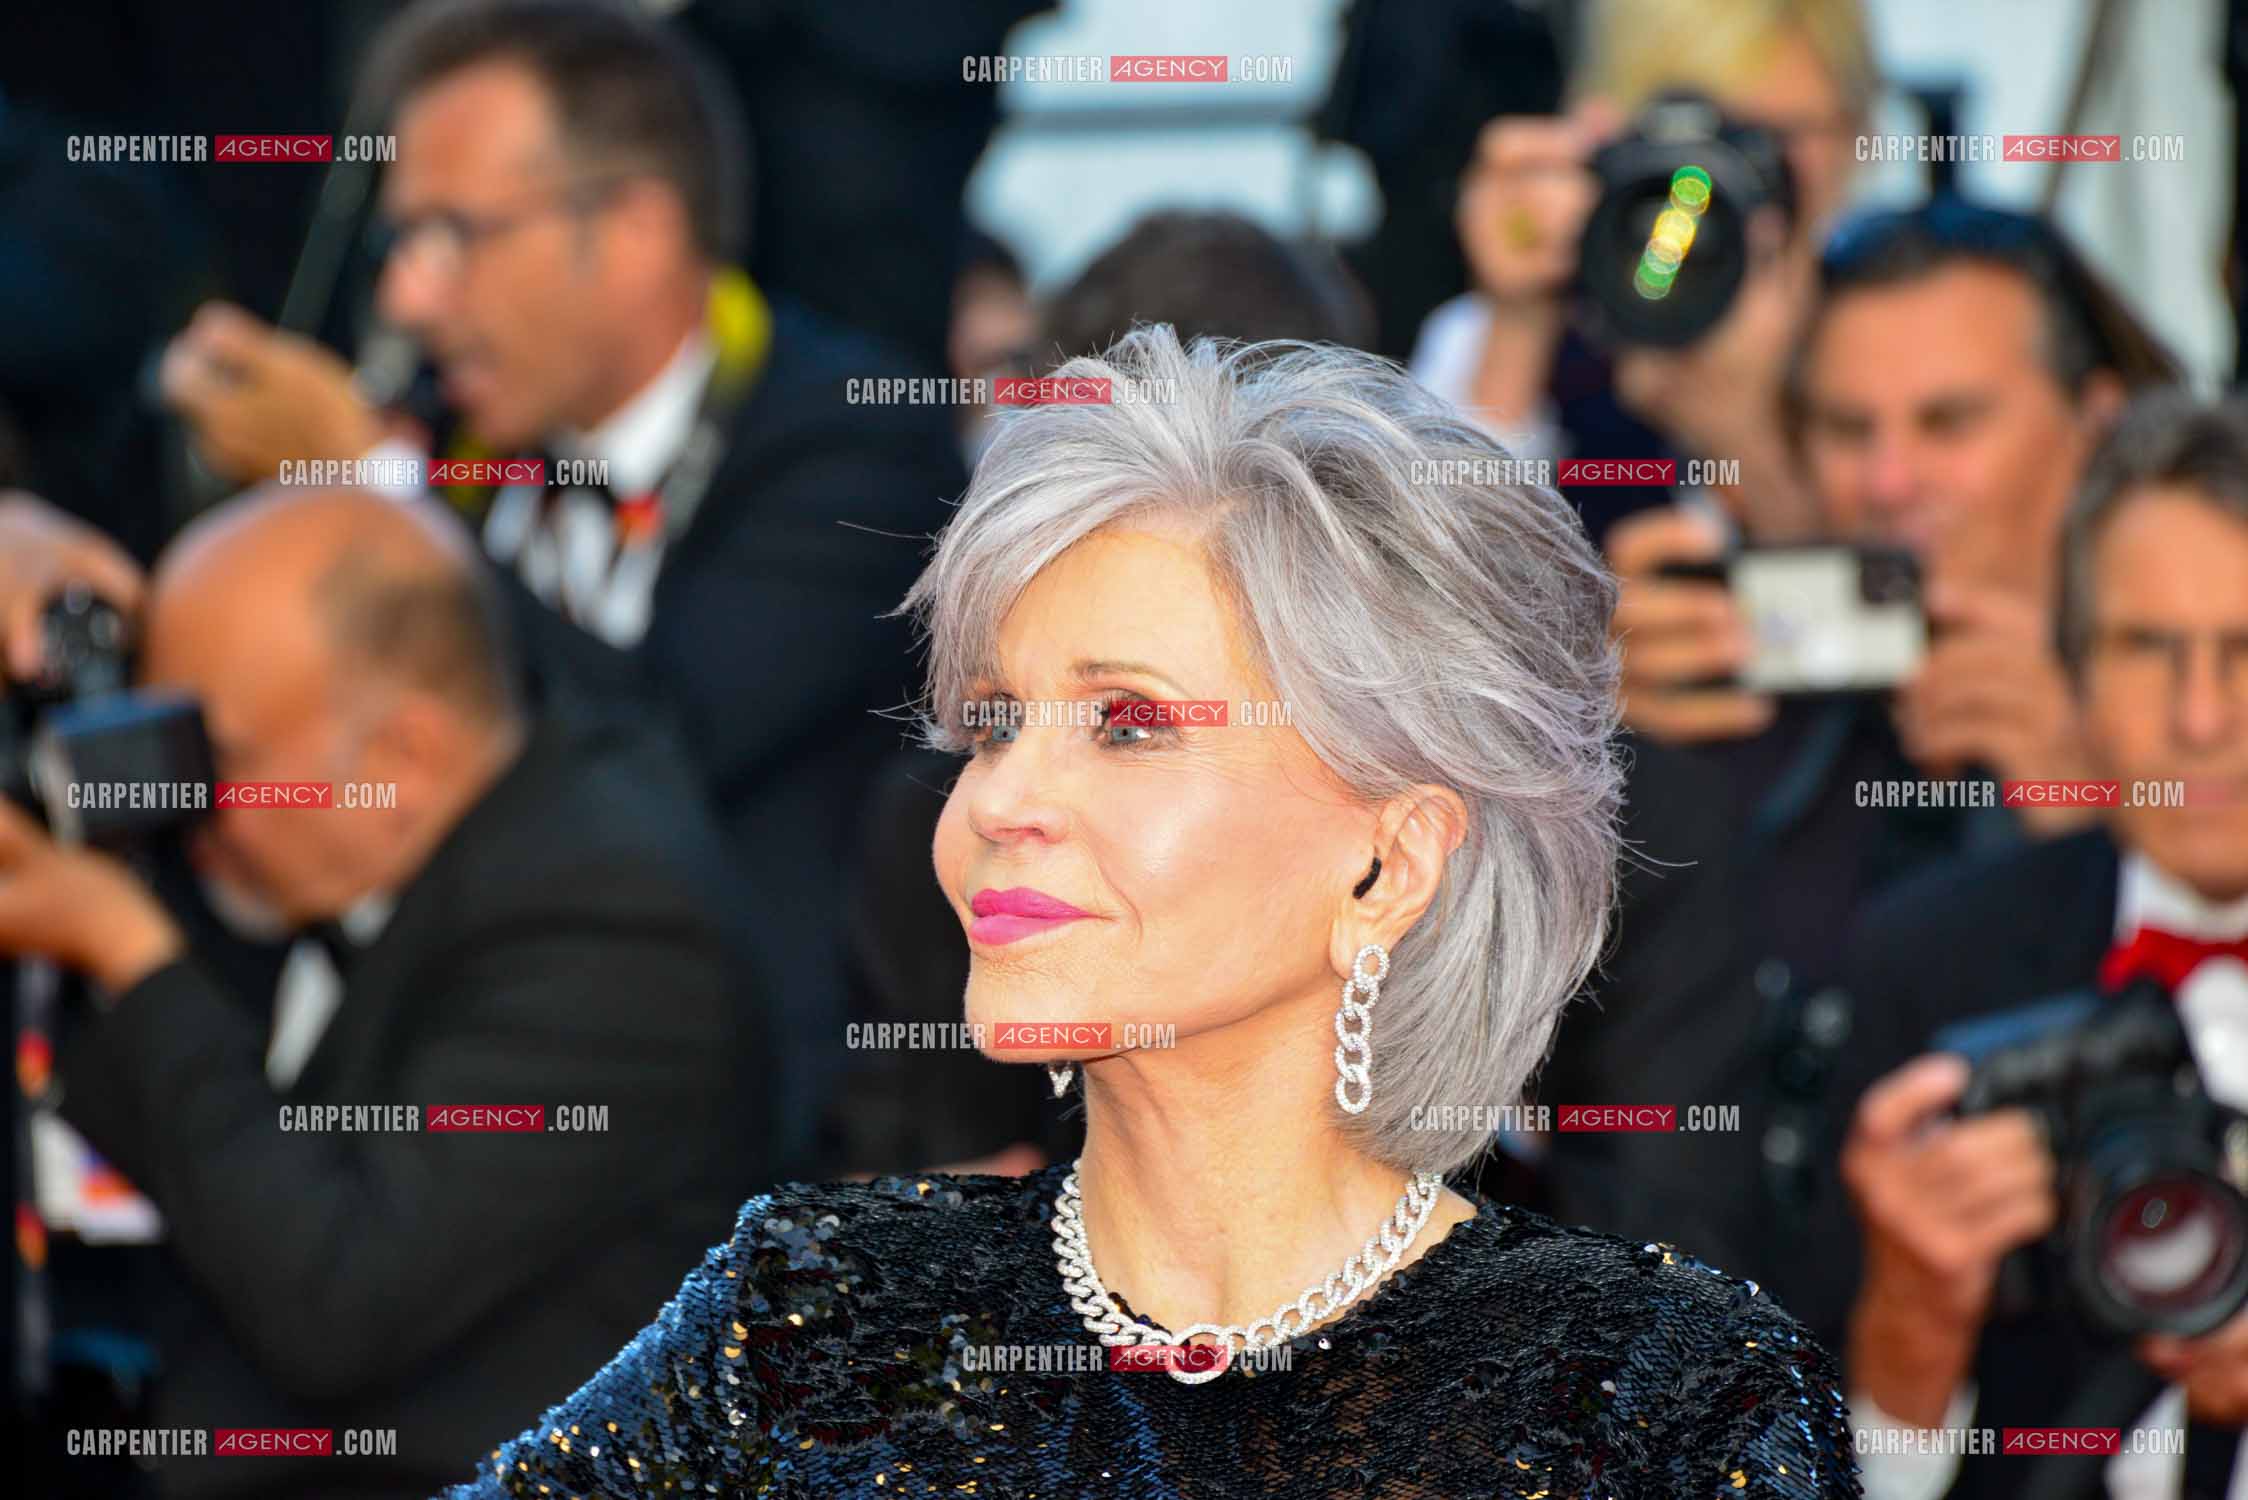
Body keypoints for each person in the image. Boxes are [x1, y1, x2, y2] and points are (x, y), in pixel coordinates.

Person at [436, 327, 1857, 1499]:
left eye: (1127, 724)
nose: (1000, 801)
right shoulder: (817, 1318)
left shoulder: (1663, 1403)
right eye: (991, 724)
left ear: (1394, 859)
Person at [154, 0, 968, 1163]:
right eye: (400, 246)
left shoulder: (856, 443)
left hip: (745, 1147)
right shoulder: (447, 438)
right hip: (436, 1102)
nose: (406, 301)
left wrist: (383, 486)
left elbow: (649, 746)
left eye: (452, 236)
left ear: (632, 230)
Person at [0, 487, 776, 1498]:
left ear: (400, 757)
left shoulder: (625, 934)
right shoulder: (348, 820)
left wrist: (126, 951)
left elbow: (331, 1298)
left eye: (218, 756)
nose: (181, 794)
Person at [1538, 201, 2182, 1347]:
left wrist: (2111, 823)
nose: (1888, 482)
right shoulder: (1719, 695)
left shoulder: (2206, 729)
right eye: (1845, 428)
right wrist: (1570, 760)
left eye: (1949, 422)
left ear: (2097, 425)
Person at [1835, 390, 2248, 1500]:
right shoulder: (1930, 962)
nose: (2200, 717)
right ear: (2072, 667)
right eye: (2146, 650)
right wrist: (1910, 1327)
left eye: (2245, 649)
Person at [1417, 0, 1880, 547]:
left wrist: (1745, 438)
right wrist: (1517, 328)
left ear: (1855, 135)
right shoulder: (1500, 333)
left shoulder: (1885, 336)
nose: (1726, 185)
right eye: (1706, 148)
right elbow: (1437, 595)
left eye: (1776, 138)